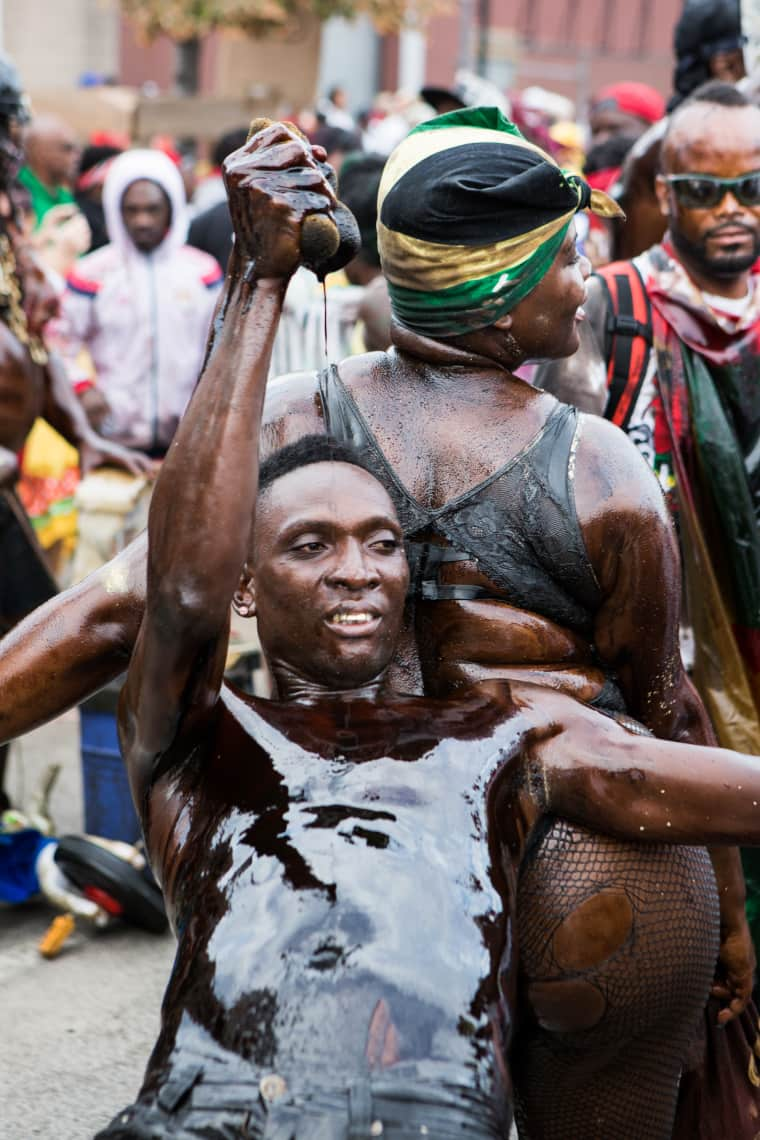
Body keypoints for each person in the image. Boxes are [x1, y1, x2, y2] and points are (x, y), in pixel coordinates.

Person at [0, 113, 755, 1132]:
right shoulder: (597, 464)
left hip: (355, 868)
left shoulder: (287, 425)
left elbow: (109, 616)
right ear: (499, 289)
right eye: (566, 261)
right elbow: (664, 712)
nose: (584, 284)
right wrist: (729, 915)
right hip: (597, 853)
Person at [0, 57, 152, 807]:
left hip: (5, 496)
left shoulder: (10, 225)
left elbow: (33, 349)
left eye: (18, 130)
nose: (17, 147)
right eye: (10, 129)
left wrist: (83, 435)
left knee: (20, 651)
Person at [54, 148, 223, 455]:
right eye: (132, 210)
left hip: (189, 443)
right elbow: (57, 342)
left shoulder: (203, 272)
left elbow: (220, 348)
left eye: (152, 209)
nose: (142, 220)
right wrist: (82, 388)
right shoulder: (91, 273)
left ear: (171, 209)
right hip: (113, 443)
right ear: (116, 211)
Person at [17, 112, 79, 227]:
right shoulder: (17, 194)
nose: (76, 156)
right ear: (39, 152)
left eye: (76, 149)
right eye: (67, 148)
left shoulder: (64, 196)